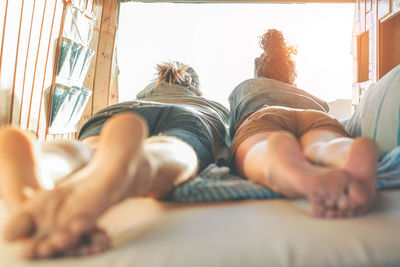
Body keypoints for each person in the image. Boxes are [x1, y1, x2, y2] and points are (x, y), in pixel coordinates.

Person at [0, 61, 229, 258]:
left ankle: (48, 161)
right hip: (190, 116)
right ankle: (145, 164)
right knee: (175, 147)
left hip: (121, 110)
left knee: (89, 148)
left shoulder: (142, 95)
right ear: (198, 92)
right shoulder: (209, 104)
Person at [229, 29, 379, 218]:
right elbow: (325, 109)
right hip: (314, 113)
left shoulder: (247, 88)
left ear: (257, 74)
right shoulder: (305, 94)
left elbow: (232, 135)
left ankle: (277, 166)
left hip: (266, 112)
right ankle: (343, 153)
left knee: (258, 146)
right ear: (291, 76)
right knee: (322, 144)